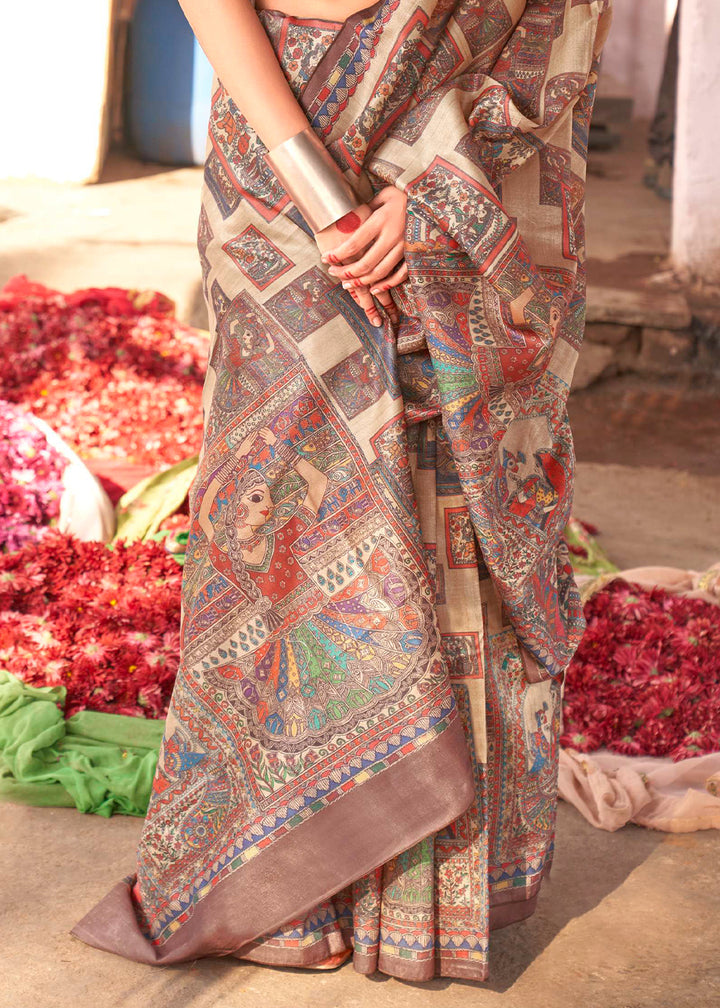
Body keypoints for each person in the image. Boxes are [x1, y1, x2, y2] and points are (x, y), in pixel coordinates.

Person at [72, 0, 613, 982]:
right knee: (279, 507)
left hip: (456, 123)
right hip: (276, 140)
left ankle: (418, 907)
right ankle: (274, 880)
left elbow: (556, 35)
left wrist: (447, 192)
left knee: (443, 480)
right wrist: (321, 190)